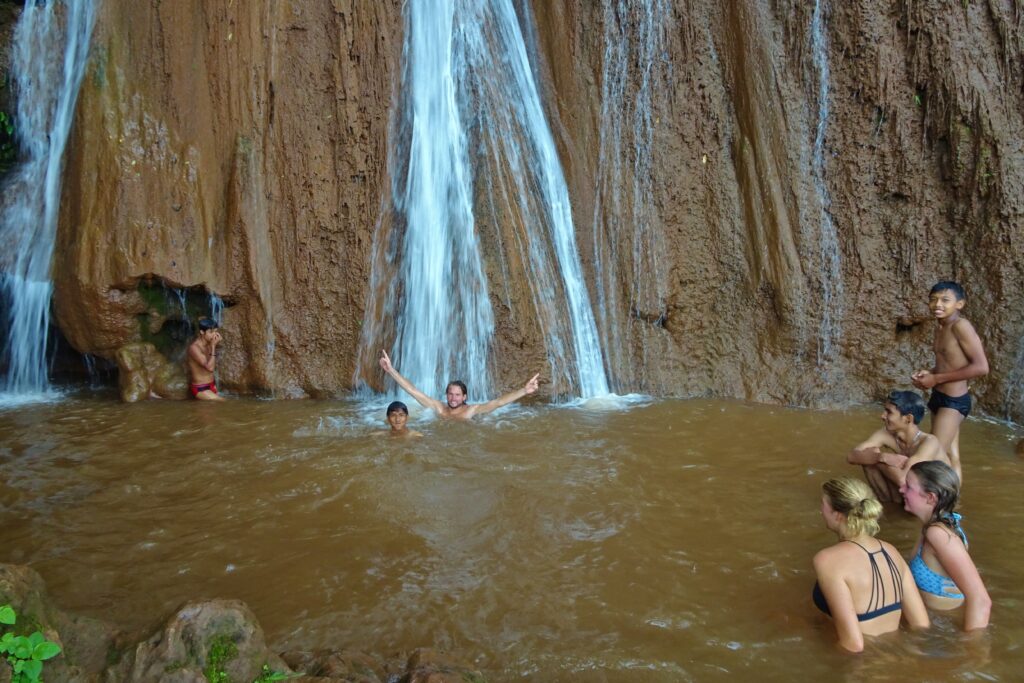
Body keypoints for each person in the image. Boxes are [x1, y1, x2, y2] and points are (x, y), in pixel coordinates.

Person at [812, 477, 929, 653]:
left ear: (837, 515)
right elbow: (921, 624)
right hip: (892, 658)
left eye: (823, 505)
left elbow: (853, 644)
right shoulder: (891, 551)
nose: (820, 510)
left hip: (863, 667)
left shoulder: (827, 559)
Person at [911, 281, 989, 482]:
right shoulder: (941, 328)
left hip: (953, 402)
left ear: (960, 304)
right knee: (951, 456)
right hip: (939, 397)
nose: (938, 304)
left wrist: (936, 378)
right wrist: (929, 373)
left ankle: (941, 503)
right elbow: (949, 364)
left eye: (945, 300)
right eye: (933, 299)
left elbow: (981, 367)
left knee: (932, 458)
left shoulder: (960, 326)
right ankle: (954, 505)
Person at [900, 460, 991, 629]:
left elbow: (981, 600)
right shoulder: (932, 525)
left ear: (930, 497)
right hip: (934, 621)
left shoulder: (939, 535)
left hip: (942, 629)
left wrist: (973, 652)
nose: (901, 489)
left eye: (908, 486)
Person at [847, 390, 949, 502]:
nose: (882, 416)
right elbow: (851, 456)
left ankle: (894, 509)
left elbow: (904, 481)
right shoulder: (885, 433)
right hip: (912, 490)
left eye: (889, 412)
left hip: (937, 498)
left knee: (870, 457)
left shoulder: (929, 442)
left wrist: (879, 461)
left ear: (908, 419)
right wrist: (880, 457)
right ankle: (887, 505)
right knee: (871, 452)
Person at [378, 350, 539, 420]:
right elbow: (412, 390)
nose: (453, 398)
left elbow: (498, 403)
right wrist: (391, 370)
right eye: (450, 394)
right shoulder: (439, 408)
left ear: (464, 397)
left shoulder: (472, 410)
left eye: (457, 395)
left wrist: (524, 390)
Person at [186, 318, 225, 401]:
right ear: (202, 332)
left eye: (215, 331)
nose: (214, 335)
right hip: (201, 389)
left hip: (212, 385)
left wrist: (214, 345)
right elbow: (210, 368)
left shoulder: (209, 343)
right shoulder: (194, 348)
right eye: (211, 332)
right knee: (223, 402)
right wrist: (213, 346)